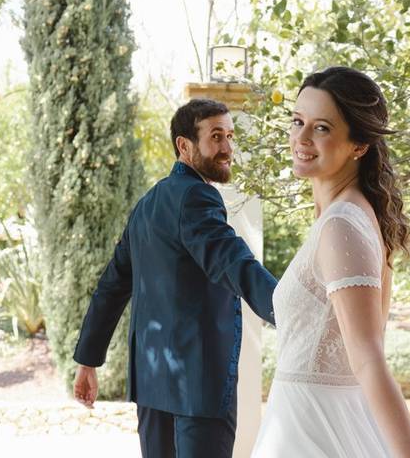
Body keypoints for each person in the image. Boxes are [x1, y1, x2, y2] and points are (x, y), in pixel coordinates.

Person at [71, 98, 277, 458]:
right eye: (216, 136)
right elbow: (231, 260)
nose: (228, 147)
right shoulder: (197, 196)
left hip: (153, 385)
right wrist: (288, 307)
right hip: (197, 386)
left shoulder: (147, 205)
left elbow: (112, 286)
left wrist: (88, 359)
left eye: (230, 135)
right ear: (184, 145)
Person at [251, 66, 410, 458]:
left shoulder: (341, 225)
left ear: (359, 145)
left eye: (321, 128)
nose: (300, 138)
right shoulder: (348, 215)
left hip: (316, 431)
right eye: (297, 121)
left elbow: (368, 356)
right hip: (304, 424)